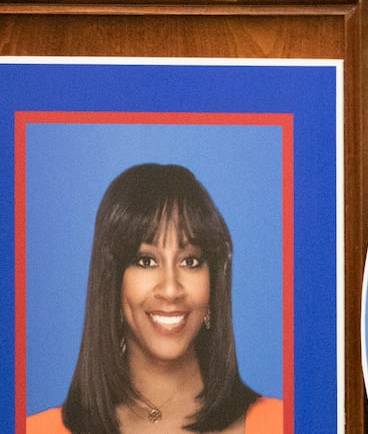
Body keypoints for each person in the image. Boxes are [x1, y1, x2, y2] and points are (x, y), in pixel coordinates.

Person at [26, 163, 284, 433]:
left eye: (190, 261)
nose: (171, 290)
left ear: (213, 287)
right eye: (146, 261)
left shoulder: (282, 424)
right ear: (111, 284)